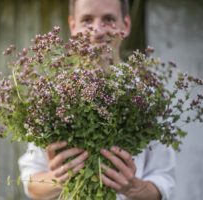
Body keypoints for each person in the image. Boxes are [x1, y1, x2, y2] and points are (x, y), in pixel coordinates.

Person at [18, 0, 176, 199]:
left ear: (125, 25)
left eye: (109, 19)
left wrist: (134, 188)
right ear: (73, 26)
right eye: (87, 20)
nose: (98, 30)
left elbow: (164, 180)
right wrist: (57, 179)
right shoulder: (54, 96)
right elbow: (30, 180)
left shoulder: (147, 96)